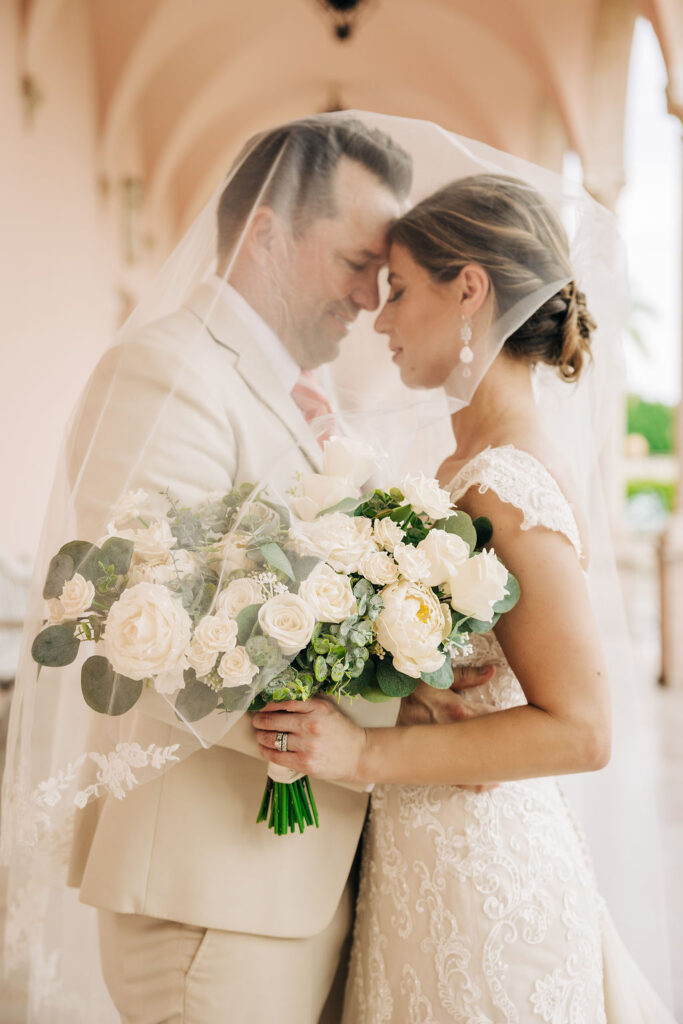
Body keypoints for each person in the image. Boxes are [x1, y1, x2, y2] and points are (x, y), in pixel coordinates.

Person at [252, 174, 677, 1021]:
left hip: (485, 887)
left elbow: (582, 729)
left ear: (468, 290)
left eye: (400, 290)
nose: (379, 319)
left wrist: (364, 755)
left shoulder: (505, 481)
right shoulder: (458, 472)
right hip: (426, 864)